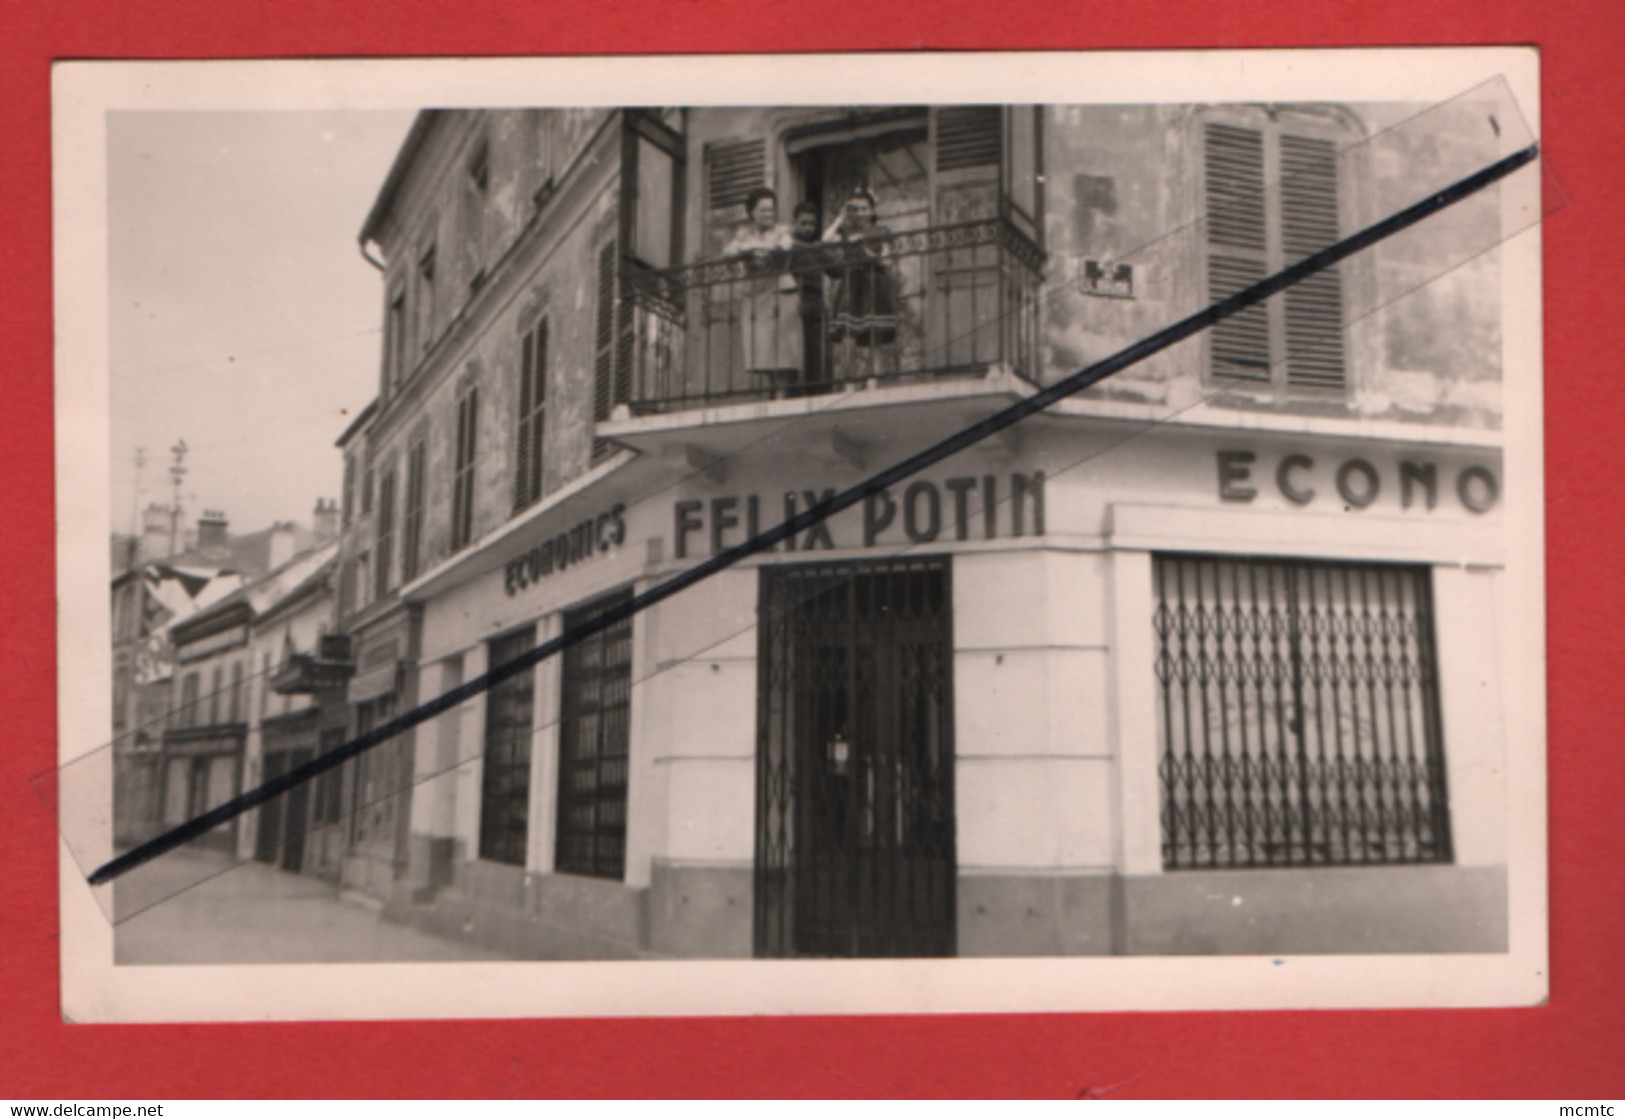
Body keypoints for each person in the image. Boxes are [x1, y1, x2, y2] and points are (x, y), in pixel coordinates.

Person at [723, 187, 800, 382]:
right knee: (762, 350)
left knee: (781, 351)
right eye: (763, 210)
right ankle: (773, 393)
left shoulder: (783, 231)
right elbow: (728, 252)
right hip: (756, 294)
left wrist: (750, 249)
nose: (768, 214)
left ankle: (781, 395)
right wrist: (745, 248)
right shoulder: (744, 234)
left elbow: (783, 247)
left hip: (780, 292)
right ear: (752, 213)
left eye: (771, 210)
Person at [823, 187, 900, 381]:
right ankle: (849, 380)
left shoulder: (882, 231)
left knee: (875, 333)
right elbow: (826, 240)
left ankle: (873, 379)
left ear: (872, 210)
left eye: (864, 208)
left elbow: (888, 259)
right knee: (849, 333)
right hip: (852, 283)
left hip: (874, 281)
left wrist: (869, 253)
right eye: (855, 209)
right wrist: (840, 218)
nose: (860, 213)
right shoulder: (847, 231)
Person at [788, 201, 830, 393]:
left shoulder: (817, 248)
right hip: (795, 297)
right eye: (803, 223)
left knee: (815, 347)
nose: (808, 228)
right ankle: (793, 391)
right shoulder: (789, 246)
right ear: (794, 223)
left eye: (811, 224)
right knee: (794, 346)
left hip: (816, 298)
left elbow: (836, 268)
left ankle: (815, 389)